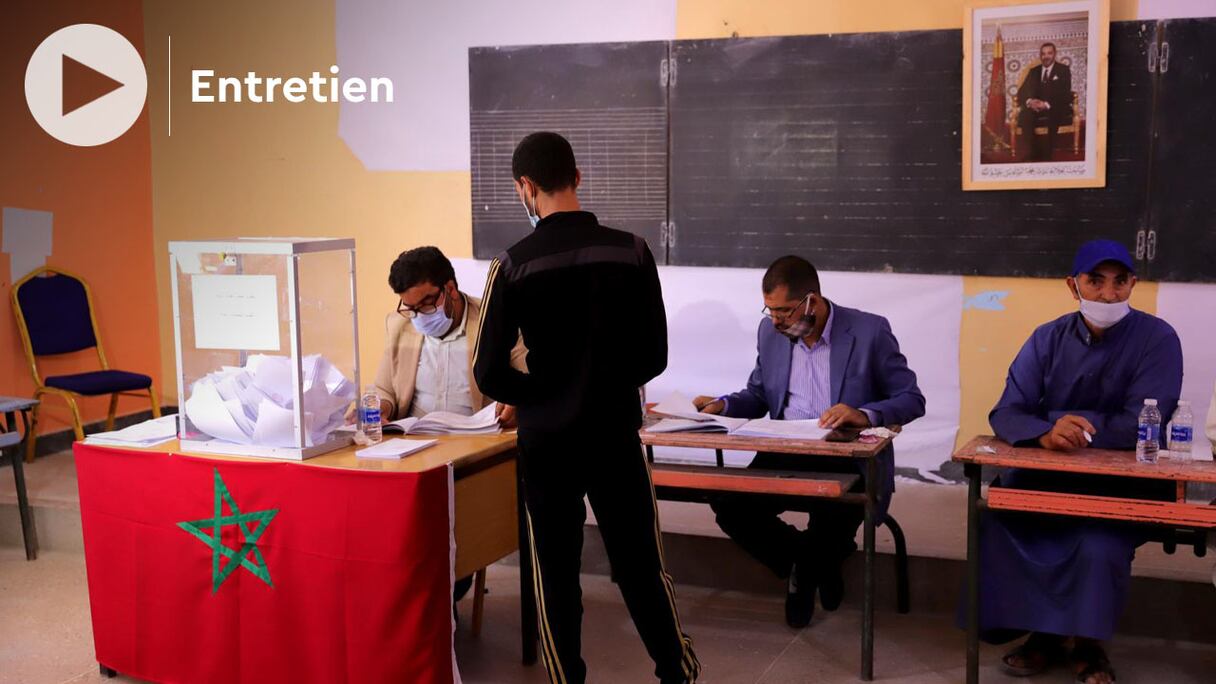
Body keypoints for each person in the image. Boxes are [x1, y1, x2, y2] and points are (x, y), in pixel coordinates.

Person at [473, 132, 699, 684]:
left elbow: (487, 371)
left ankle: (567, 678)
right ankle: (677, 671)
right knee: (642, 565)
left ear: (526, 188)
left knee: (555, 572)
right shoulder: (632, 250)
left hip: (548, 444)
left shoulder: (512, 264)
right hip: (616, 436)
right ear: (577, 177)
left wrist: (542, 395)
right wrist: (599, 385)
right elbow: (655, 354)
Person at [972, 239, 1182, 684]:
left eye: (1119, 282)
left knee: (1096, 541)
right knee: (1002, 521)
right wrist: (1047, 433)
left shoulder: (1157, 339)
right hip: (1047, 478)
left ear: (1133, 284)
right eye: (1096, 281)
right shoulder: (1046, 338)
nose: (1108, 294)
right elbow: (1006, 410)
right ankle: (1043, 635)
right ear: (1073, 285)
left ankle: (1088, 644)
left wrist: (1078, 427)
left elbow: (1147, 420)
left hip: (1120, 485)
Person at [694, 255, 925, 628]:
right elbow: (758, 394)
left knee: (835, 512)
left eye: (784, 311)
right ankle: (810, 564)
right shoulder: (771, 333)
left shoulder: (869, 331)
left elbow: (912, 399)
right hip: (787, 451)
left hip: (849, 456)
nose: (775, 321)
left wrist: (863, 414)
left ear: (812, 301)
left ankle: (805, 577)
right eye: (769, 311)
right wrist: (722, 405)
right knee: (729, 502)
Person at [374, 245, 526, 603]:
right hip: (414, 450)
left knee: (449, 545)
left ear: (450, 290)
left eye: (425, 304)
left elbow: (526, 373)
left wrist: (515, 399)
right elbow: (384, 388)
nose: (417, 316)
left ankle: (443, 613)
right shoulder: (401, 326)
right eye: (408, 308)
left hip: (473, 454)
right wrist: (380, 407)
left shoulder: (491, 320)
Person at [1016, 42, 1074, 161]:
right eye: (1043, 54)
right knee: (1025, 115)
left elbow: (1065, 93)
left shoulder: (1063, 70)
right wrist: (1030, 102)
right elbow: (1021, 92)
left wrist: (1046, 104)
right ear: (1040, 55)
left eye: (1049, 53)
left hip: (1054, 106)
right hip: (1035, 107)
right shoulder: (1034, 71)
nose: (1046, 56)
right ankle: (1032, 151)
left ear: (1054, 54)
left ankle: (1047, 153)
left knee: (1054, 112)